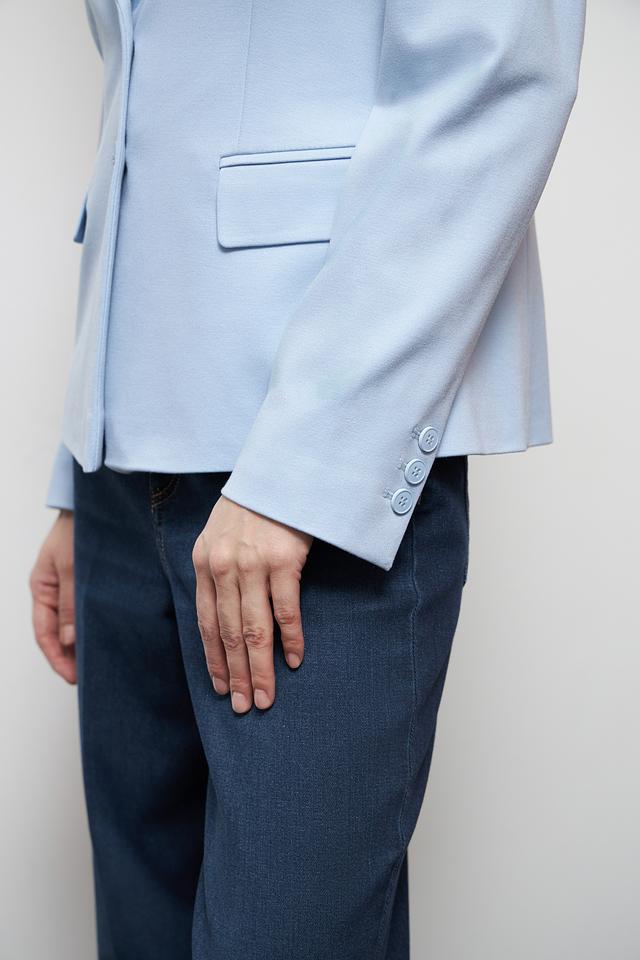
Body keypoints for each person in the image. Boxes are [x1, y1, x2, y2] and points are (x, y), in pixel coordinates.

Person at [29, 1, 586, 957]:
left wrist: (305, 472)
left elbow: (494, 79)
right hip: (121, 474)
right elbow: (144, 108)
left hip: (315, 487)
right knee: (138, 932)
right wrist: (84, 454)